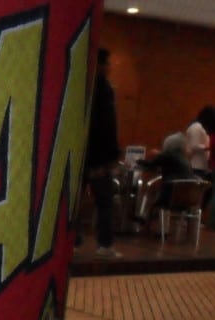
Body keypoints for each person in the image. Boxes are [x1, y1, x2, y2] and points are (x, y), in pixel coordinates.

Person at [84, 48, 122, 258]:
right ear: (101, 64)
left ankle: (72, 240)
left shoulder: (82, 85)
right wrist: (112, 155)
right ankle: (105, 244)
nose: (110, 67)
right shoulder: (105, 90)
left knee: (74, 201)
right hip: (99, 156)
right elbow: (108, 125)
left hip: (81, 153)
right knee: (105, 201)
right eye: (107, 63)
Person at [185, 106, 215, 180]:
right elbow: (194, 145)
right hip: (196, 165)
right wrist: (207, 147)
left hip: (201, 166)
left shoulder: (200, 127)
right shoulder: (196, 127)